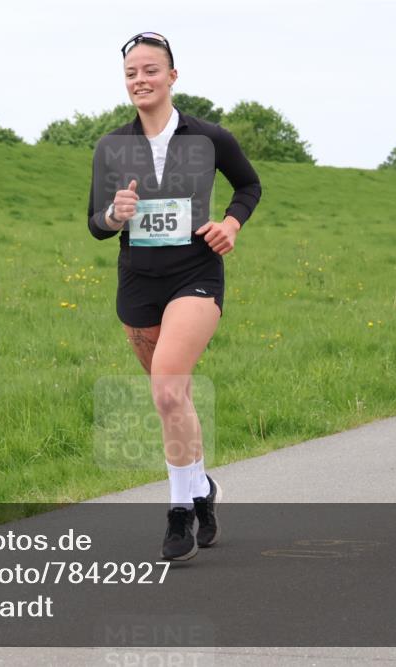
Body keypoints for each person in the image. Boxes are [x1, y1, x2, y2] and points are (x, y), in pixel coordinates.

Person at [87, 32, 262, 560]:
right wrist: (114, 214)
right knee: (175, 397)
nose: (140, 80)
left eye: (150, 70)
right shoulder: (111, 146)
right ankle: (202, 487)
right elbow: (96, 223)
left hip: (195, 274)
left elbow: (248, 186)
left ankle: (179, 512)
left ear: (172, 76)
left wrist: (230, 224)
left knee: (166, 391)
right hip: (138, 282)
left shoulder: (209, 138)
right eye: (131, 73)